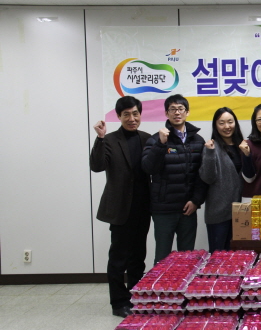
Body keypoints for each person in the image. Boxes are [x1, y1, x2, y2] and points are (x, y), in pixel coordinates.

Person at [90, 96, 151, 318]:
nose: (132, 118)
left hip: (142, 207)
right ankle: (118, 302)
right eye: (126, 115)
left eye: (135, 114)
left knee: (138, 256)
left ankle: (135, 296)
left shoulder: (147, 138)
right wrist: (100, 138)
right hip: (120, 208)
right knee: (118, 258)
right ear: (119, 116)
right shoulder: (109, 139)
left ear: (140, 115)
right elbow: (97, 166)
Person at [142, 94, 207, 265]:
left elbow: (202, 176)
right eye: (172, 109)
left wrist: (196, 201)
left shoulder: (198, 141)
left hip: (188, 209)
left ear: (187, 112)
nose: (177, 113)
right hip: (163, 210)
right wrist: (161, 145)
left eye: (180, 109)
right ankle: (158, 284)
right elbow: (148, 168)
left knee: (187, 259)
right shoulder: (156, 139)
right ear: (166, 113)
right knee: (162, 258)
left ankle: (185, 285)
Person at [200, 107, 245, 252]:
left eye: (230, 122)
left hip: (240, 212)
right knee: (218, 257)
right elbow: (208, 178)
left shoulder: (242, 146)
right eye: (221, 123)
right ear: (215, 125)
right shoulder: (211, 147)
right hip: (218, 212)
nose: (227, 126)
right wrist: (210, 153)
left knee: (237, 257)